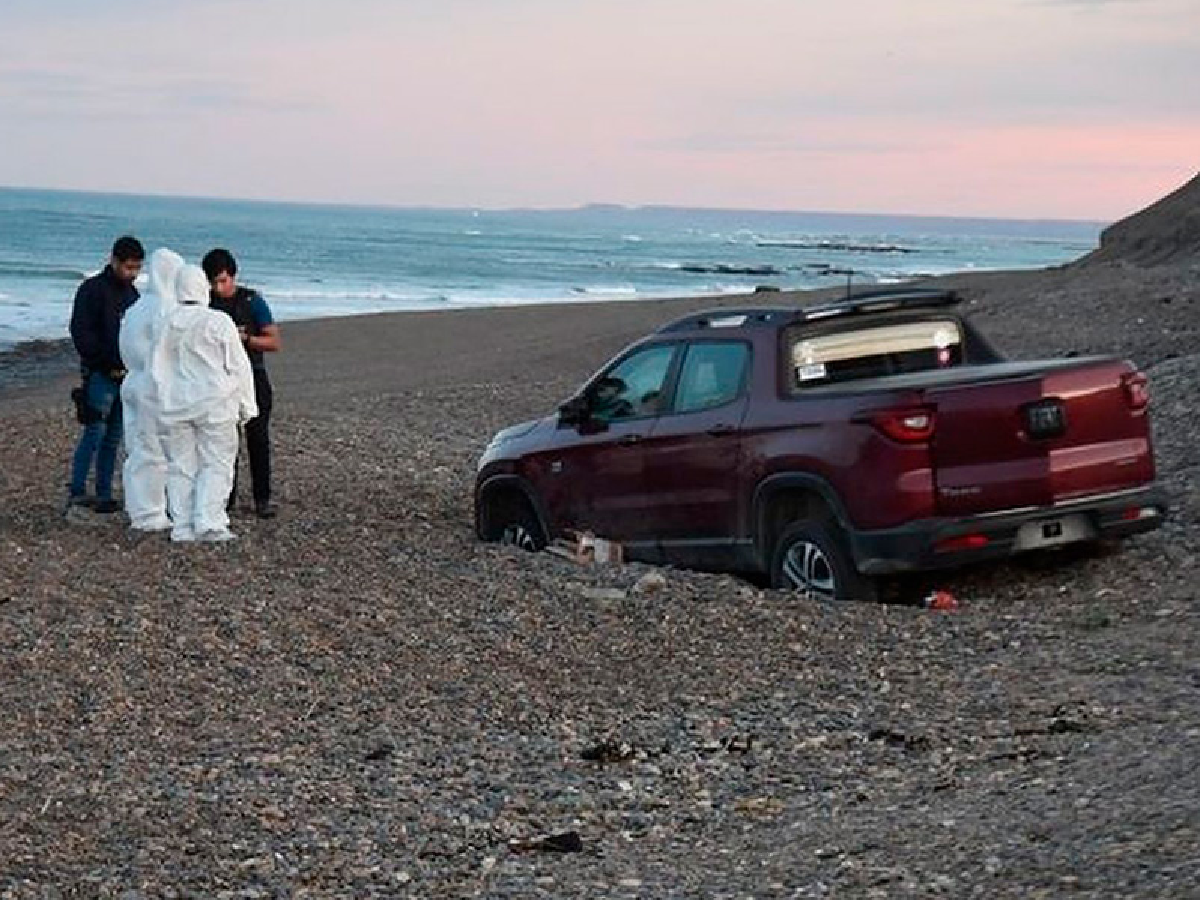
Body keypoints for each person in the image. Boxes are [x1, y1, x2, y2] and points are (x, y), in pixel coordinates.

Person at [152, 264, 257, 542]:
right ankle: (209, 522)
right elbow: (238, 366)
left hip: (176, 405)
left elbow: (157, 367)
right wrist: (247, 405)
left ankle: (183, 524)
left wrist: (162, 399)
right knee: (217, 463)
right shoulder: (218, 321)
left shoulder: (167, 322)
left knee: (181, 465)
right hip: (216, 403)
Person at [67, 235, 145, 514]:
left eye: (137, 268)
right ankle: (77, 490)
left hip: (124, 375)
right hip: (99, 373)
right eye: (128, 267)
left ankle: (103, 493)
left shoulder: (133, 295)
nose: (132, 273)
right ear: (114, 261)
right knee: (94, 432)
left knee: (113, 436)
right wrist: (101, 361)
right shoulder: (92, 289)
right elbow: (80, 331)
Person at [201, 248, 280, 518]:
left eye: (223, 280)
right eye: (213, 282)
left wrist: (246, 340)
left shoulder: (252, 301)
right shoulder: (204, 304)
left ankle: (262, 498)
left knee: (257, 438)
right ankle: (226, 496)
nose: (218, 287)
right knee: (223, 439)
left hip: (252, 374)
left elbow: (273, 341)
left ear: (233, 277)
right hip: (217, 377)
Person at [119, 248, 184, 532]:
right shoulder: (166, 308)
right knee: (155, 449)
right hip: (155, 383)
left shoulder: (136, 307)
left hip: (132, 380)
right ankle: (151, 513)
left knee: (136, 446)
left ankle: (138, 508)